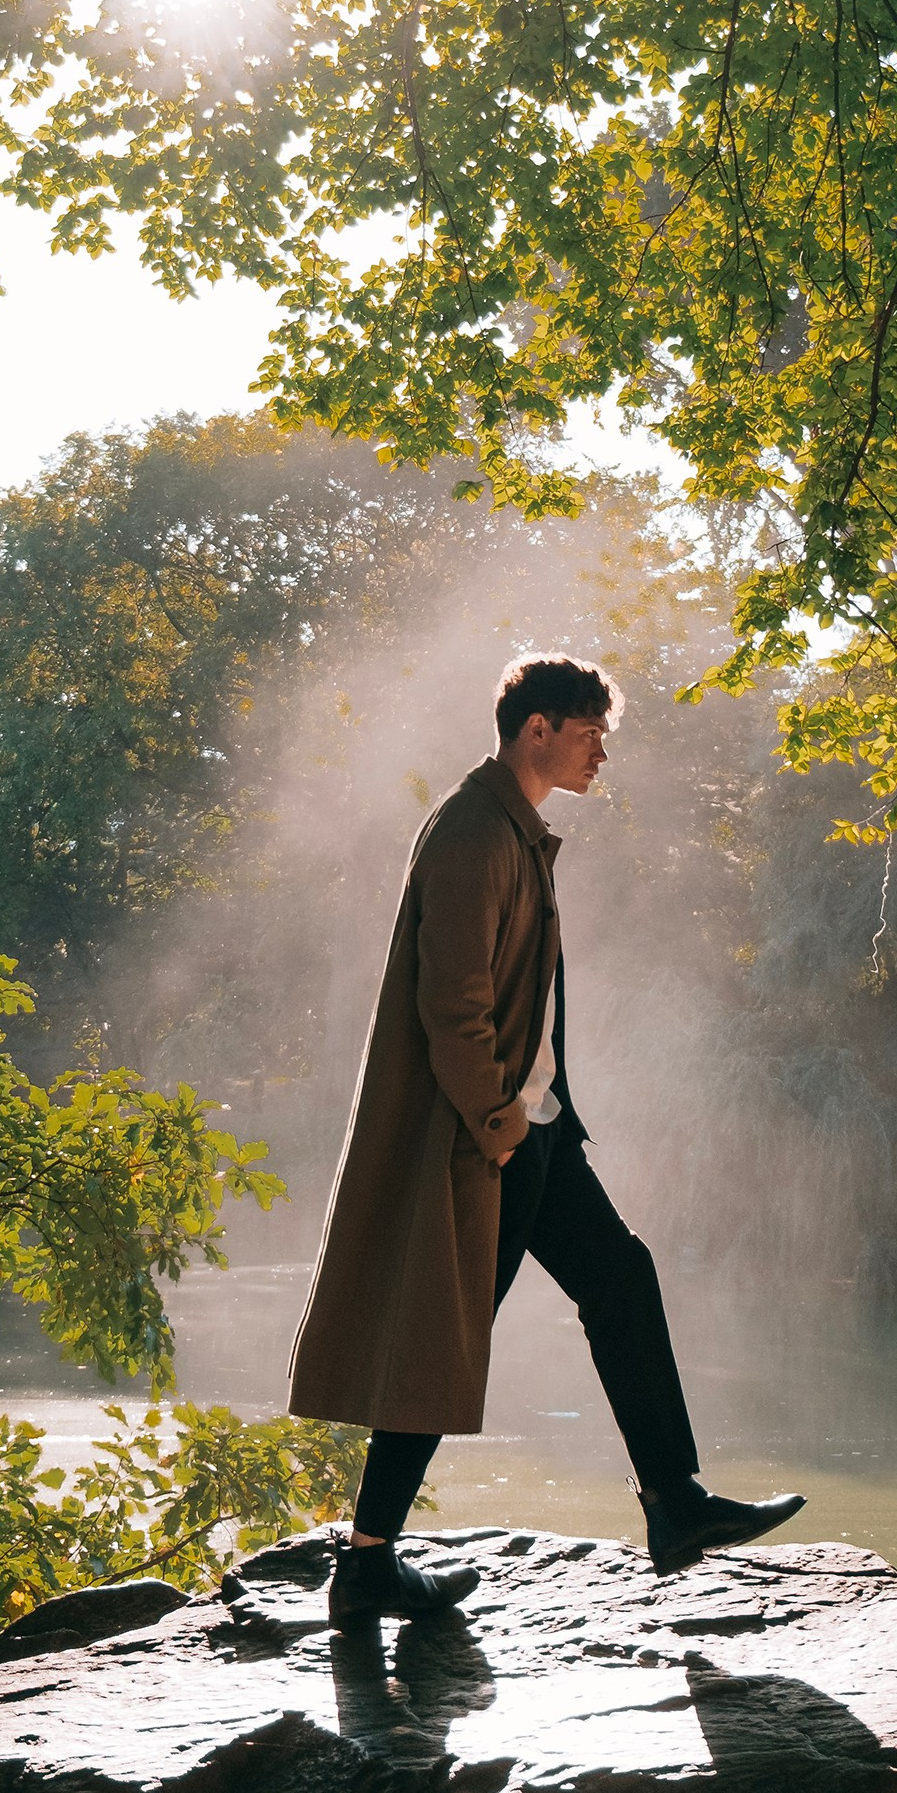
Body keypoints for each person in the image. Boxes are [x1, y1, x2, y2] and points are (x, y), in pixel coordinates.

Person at [288, 651, 805, 1622]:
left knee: (618, 1276)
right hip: (494, 1137)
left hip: (534, 1128)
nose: (602, 753)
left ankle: (676, 1504)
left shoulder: (515, 832)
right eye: (591, 732)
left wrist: (536, 1117)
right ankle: (363, 1567)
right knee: (445, 1337)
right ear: (539, 729)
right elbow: (454, 1007)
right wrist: (499, 1128)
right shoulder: (475, 836)